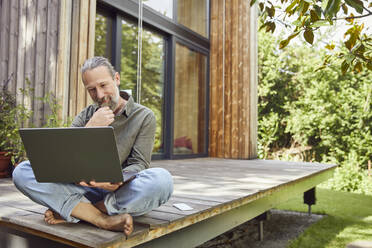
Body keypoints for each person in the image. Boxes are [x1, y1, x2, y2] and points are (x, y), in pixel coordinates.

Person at [12, 56, 173, 237]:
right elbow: (64, 157)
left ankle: (82, 211)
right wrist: (91, 127)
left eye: (103, 85)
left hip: (120, 193)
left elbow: (139, 164)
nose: (100, 95)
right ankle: (101, 219)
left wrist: (118, 181)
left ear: (117, 79)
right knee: (22, 172)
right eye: (92, 90)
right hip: (83, 189)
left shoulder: (144, 116)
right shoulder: (86, 115)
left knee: (162, 180)